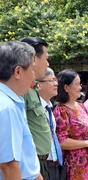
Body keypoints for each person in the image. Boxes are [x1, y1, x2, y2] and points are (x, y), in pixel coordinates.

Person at [0, 41, 42, 179]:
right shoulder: (7, 108)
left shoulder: (10, 101)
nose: (33, 76)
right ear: (18, 71)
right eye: (32, 69)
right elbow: (8, 166)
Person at [53, 69, 88, 180]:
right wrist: (86, 143)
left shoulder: (81, 106)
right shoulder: (61, 111)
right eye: (77, 84)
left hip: (87, 162)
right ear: (66, 88)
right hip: (72, 164)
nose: (80, 88)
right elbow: (61, 141)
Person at [20, 37, 51, 180]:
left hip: (41, 161)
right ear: (34, 59)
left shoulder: (32, 87)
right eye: (46, 58)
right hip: (31, 162)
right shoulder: (22, 89)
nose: (48, 63)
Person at [37, 67, 63, 180]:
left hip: (56, 164)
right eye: (51, 80)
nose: (56, 84)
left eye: (55, 80)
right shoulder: (34, 110)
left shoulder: (49, 108)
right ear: (39, 84)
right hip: (43, 164)